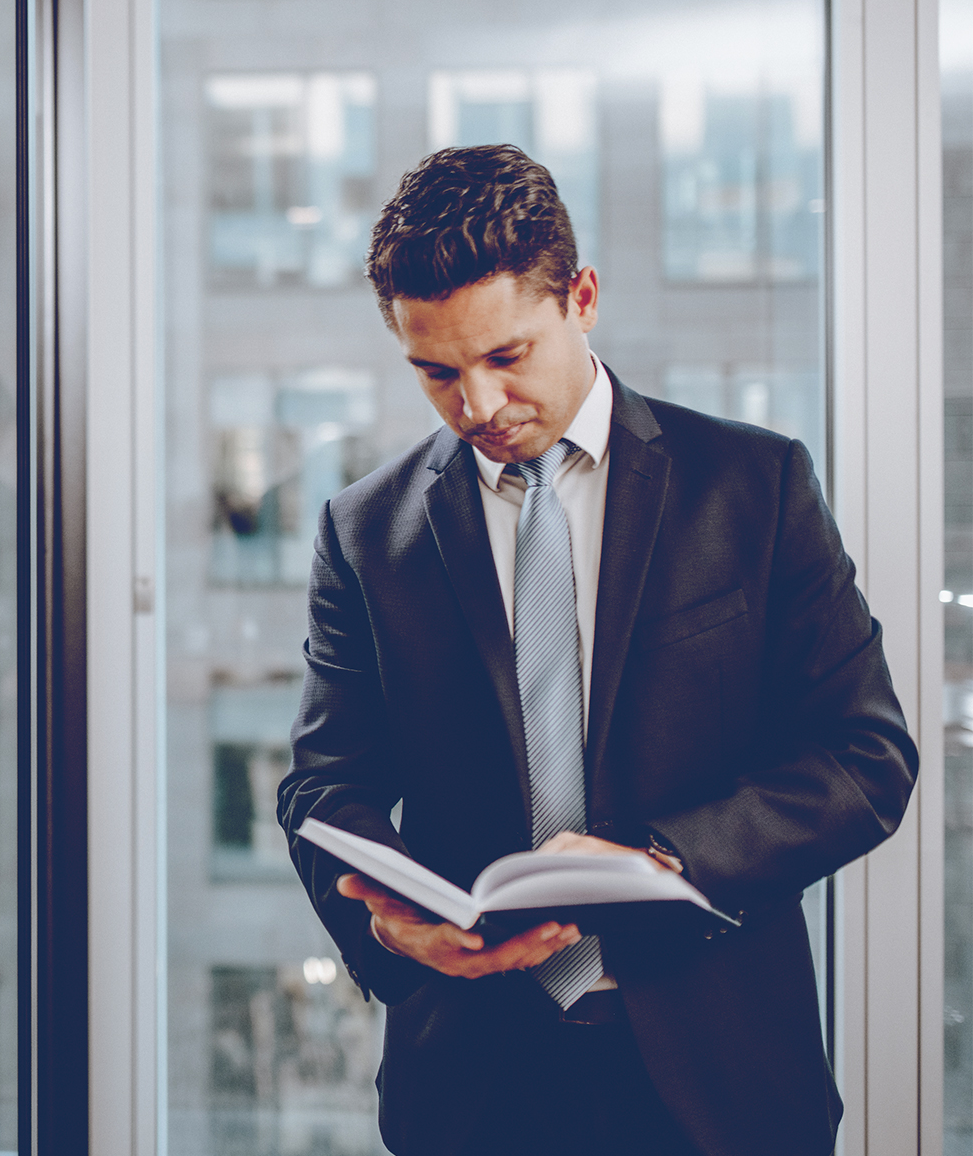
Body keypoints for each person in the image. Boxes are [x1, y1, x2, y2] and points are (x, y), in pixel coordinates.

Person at [276, 144, 917, 1155]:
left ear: (581, 297)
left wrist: (661, 856)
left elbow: (866, 759)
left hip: (721, 1075)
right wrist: (386, 924)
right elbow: (321, 786)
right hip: (471, 1084)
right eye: (436, 372)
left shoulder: (753, 488)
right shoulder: (366, 532)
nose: (477, 406)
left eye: (507, 356)